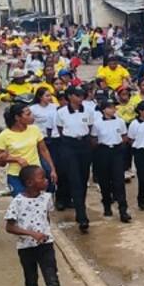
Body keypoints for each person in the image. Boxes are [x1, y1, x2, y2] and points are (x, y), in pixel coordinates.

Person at [4, 165, 73, 286]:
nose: (45, 180)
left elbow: (46, 217)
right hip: (26, 247)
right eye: (41, 178)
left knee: (52, 280)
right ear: (29, 182)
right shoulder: (18, 202)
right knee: (31, 279)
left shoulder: (46, 198)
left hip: (45, 246)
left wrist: (44, 234)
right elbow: (9, 227)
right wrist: (32, 234)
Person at [52, 87, 92, 231]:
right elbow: (60, 130)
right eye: (77, 95)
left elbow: (90, 126)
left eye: (82, 95)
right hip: (69, 145)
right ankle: (82, 216)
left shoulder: (88, 110)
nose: (80, 98)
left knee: (83, 178)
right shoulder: (61, 112)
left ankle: (80, 207)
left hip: (84, 145)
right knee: (74, 179)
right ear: (69, 96)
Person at [93, 99, 132, 223]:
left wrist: (120, 146)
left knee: (119, 181)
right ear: (104, 109)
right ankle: (107, 204)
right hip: (103, 151)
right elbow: (94, 139)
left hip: (116, 151)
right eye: (110, 107)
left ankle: (123, 210)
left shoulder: (120, 121)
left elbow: (124, 136)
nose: (113, 109)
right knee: (104, 180)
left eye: (114, 107)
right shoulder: (97, 123)